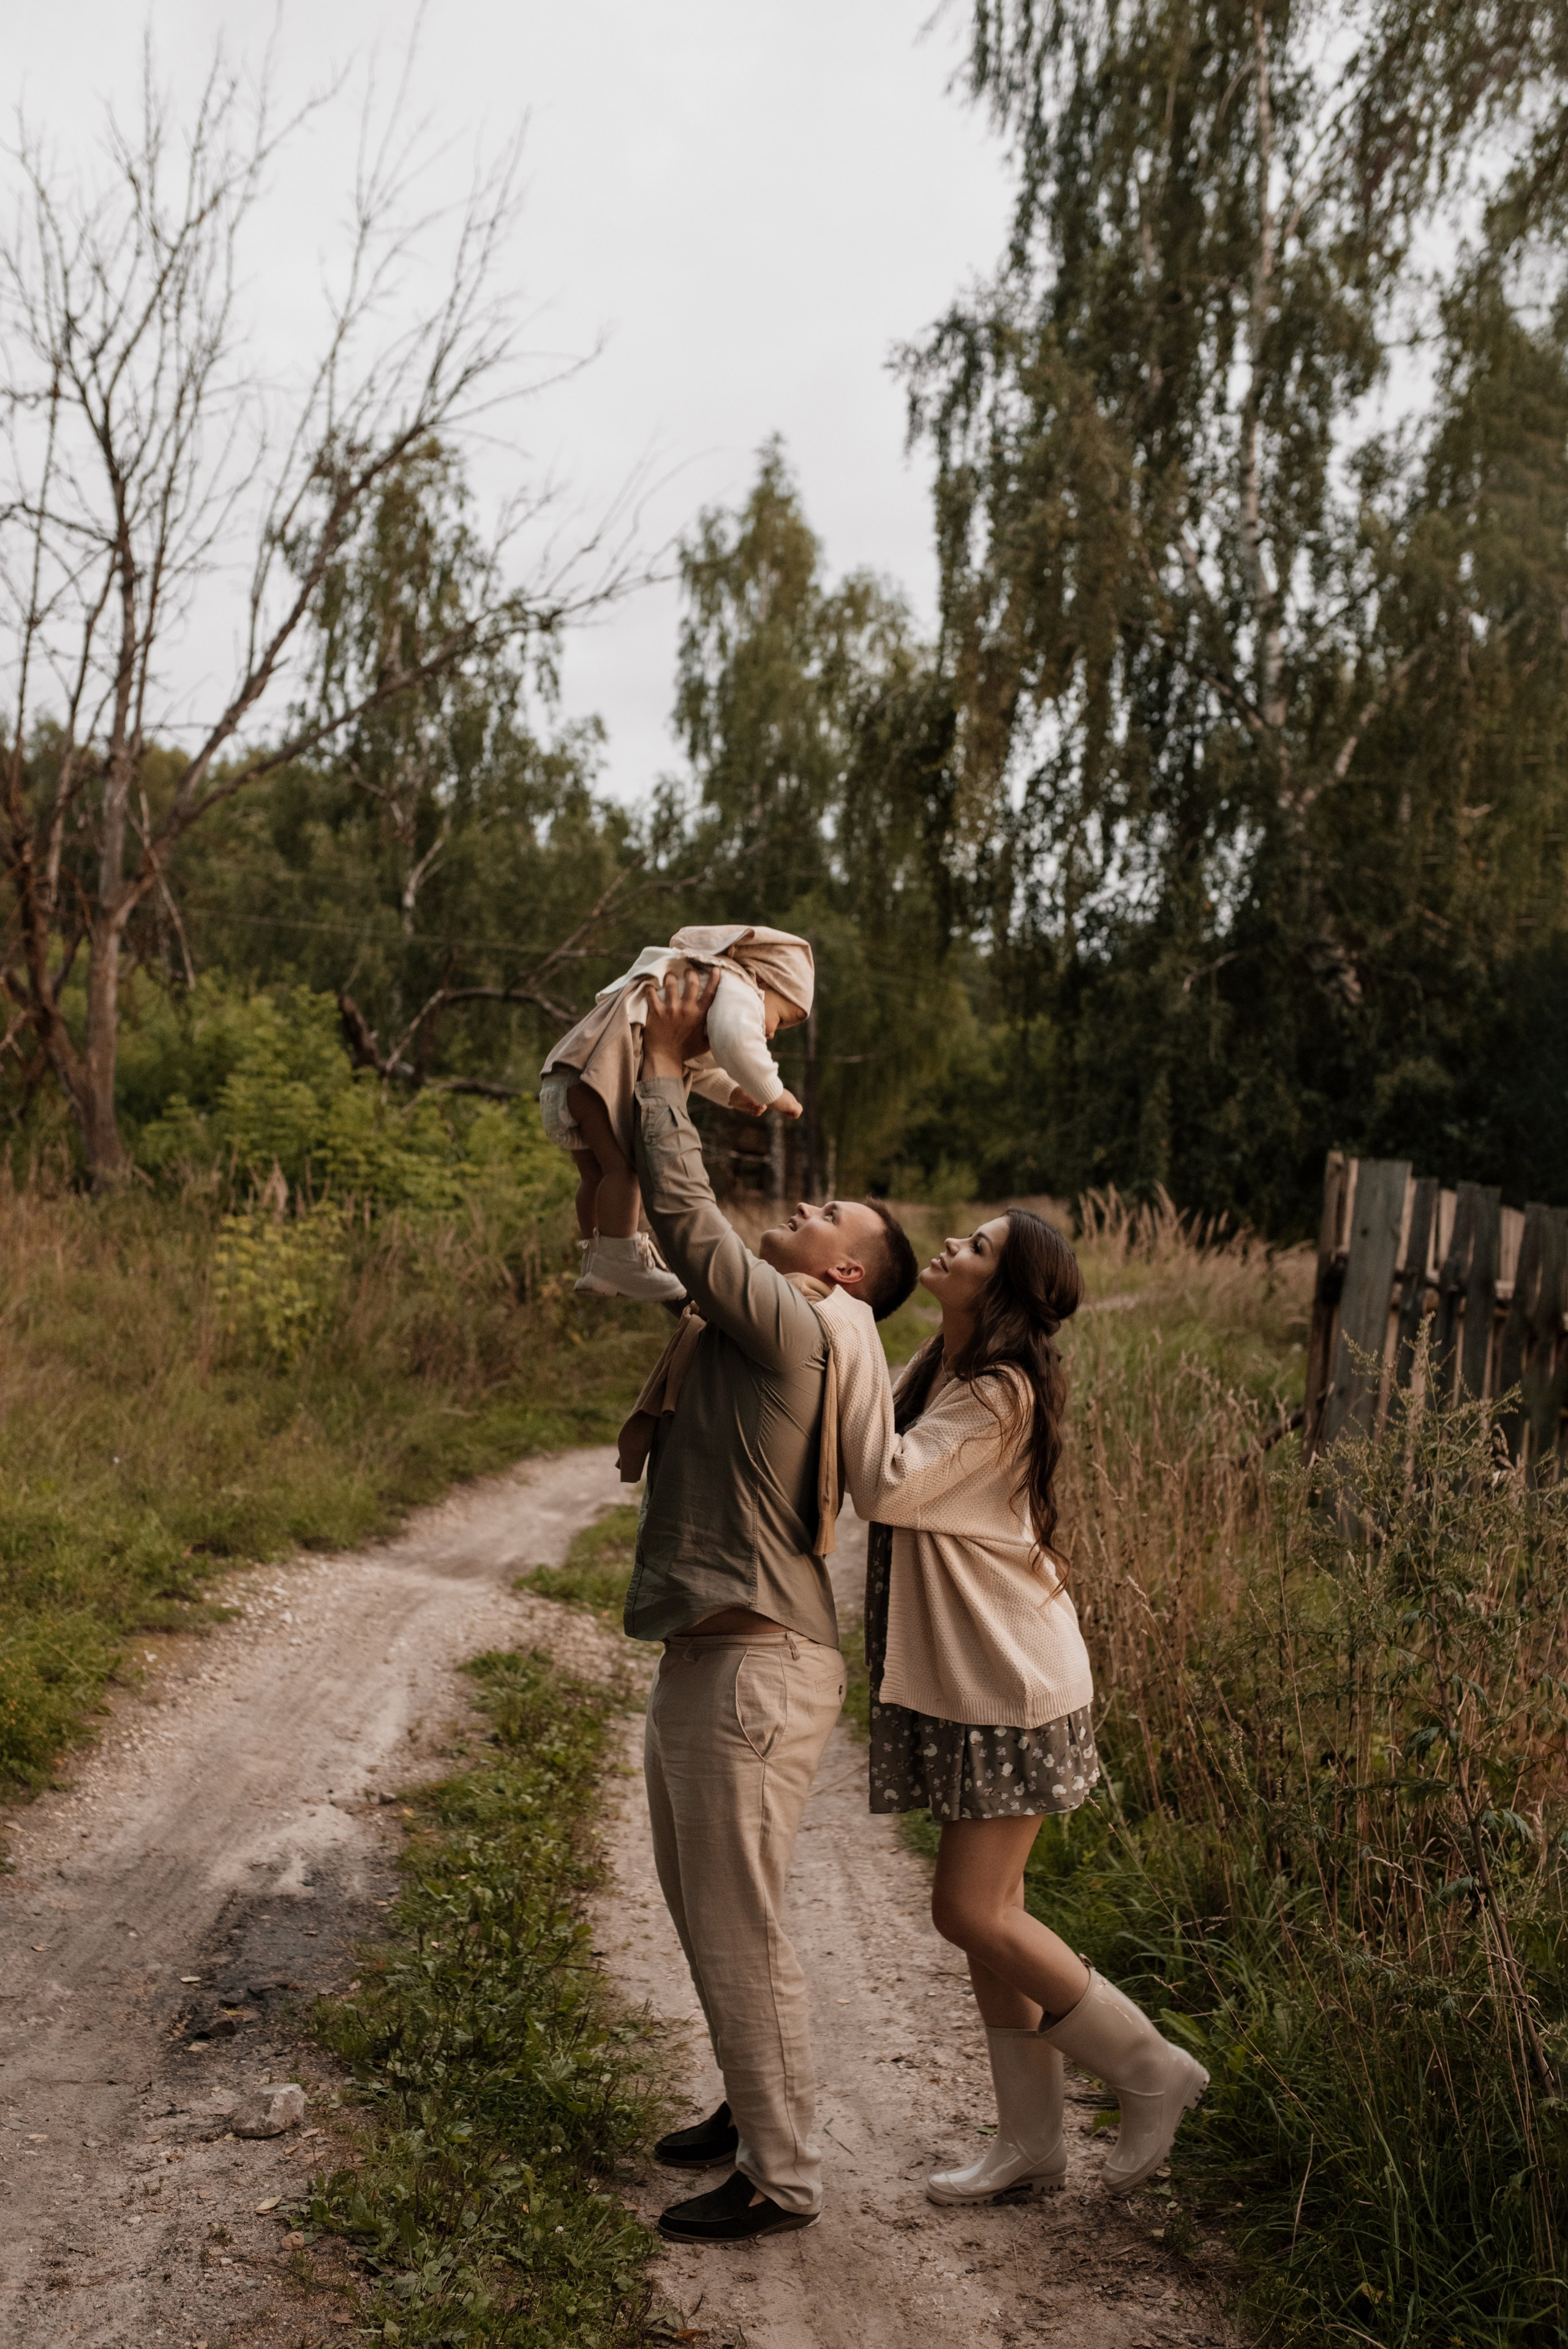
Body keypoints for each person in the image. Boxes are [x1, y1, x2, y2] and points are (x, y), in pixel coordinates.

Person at [622, 967, 919, 2246]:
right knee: (697, 1903)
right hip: (716, 1651)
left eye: (829, 1208)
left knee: (738, 1923)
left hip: (756, 1665)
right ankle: (751, 2109)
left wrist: (660, 1078)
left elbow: (690, 1222)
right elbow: (685, 1247)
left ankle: (783, 2176)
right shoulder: (774, 1326)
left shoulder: (799, 1331)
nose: (805, 1202)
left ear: (849, 1268)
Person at [834, 1209, 1208, 2201]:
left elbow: (885, 1483)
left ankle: (1149, 2067)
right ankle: (1031, 2142)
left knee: (968, 1908)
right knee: (993, 1912)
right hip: (972, 1679)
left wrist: (843, 1328)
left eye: (982, 1248)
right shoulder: (943, 1368)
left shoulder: (1001, 1390)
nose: (955, 1246)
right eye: (965, 1235)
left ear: (1003, 1290)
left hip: (1009, 1685)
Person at [539, 922, 810, 1302]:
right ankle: (621, 1256)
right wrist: (775, 1092)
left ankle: (599, 1259)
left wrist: (733, 1093)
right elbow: (736, 1040)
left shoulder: (690, 984)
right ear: (764, 984)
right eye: (780, 1019)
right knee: (626, 1171)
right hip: (597, 1074)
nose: (773, 1034)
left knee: (596, 1174)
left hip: (569, 1077)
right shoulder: (734, 985)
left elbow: (686, 1065)